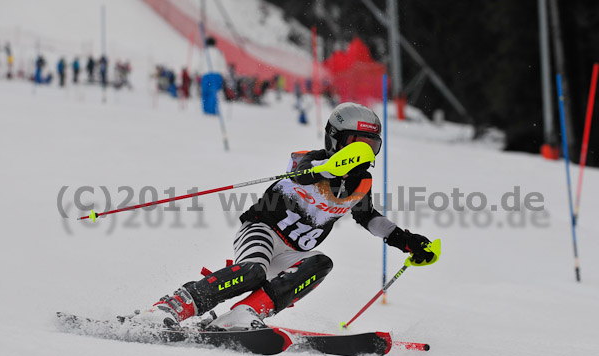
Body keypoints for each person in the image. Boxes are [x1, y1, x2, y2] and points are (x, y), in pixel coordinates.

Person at [134, 102, 435, 331]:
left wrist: (407, 241)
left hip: (294, 252)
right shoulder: (311, 161)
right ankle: (174, 305)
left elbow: (369, 218)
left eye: (370, 146)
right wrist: (332, 166)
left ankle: (244, 314)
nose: (363, 153)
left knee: (321, 263)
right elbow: (304, 173)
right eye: (355, 143)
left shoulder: (361, 184)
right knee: (253, 272)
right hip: (262, 230)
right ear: (335, 140)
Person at [199, 36, 228, 115]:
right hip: (216, 74)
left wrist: (199, 73)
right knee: (213, 92)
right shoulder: (218, 52)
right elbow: (223, 64)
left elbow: (199, 64)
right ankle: (212, 110)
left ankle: (205, 110)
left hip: (205, 74)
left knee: (205, 93)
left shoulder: (203, 52)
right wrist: (224, 75)